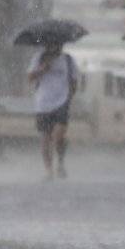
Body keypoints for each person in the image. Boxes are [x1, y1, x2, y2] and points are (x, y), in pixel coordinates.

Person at [27, 43, 80, 180]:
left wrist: (70, 94)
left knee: (59, 136)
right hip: (43, 104)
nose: (57, 47)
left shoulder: (68, 59)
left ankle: (60, 164)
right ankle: (49, 170)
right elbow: (30, 77)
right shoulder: (39, 58)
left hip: (62, 101)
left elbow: (74, 79)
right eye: (54, 44)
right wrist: (43, 68)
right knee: (45, 139)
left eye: (59, 44)